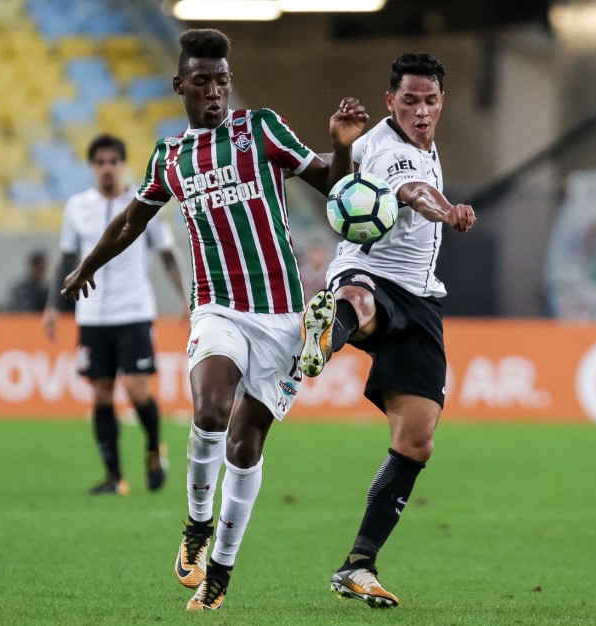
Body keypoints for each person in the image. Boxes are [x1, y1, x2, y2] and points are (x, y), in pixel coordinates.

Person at [61, 29, 368, 610]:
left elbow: (331, 182)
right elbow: (132, 222)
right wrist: (85, 265)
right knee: (209, 409)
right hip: (217, 306)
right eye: (202, 80)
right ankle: (196, 525)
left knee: (246, 448)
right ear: (180, 84)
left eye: (222, 80)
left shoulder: (263, 128)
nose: (214, 91)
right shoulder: (169, 156)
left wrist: (344, 147)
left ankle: (220, 570)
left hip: (282, 318)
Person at [299, 52, 476, 607]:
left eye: (429, 101)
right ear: (389, 101)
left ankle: (358, 565)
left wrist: (340, 153)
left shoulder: (407, 143)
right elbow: (411, 193)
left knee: (416, 442)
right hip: (369, 271)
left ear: (441, 101)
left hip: (422, 298)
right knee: (358, 298)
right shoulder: (392, 149)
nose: (420, 111)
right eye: (409, 101)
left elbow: (340, 167)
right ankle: (323, 335)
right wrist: (446, 210)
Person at [42, 133, 188, 496]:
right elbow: (65, 257)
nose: (107, 168)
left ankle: (154, 447)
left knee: (137, 389)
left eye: (113, 161)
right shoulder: (77, 207)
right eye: (100, 162)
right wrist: (50, 306)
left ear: (123, 164)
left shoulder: (144, 203)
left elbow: (167, 253)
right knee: (102, 395)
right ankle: (114, 477)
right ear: (92, 167)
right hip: (91, 315)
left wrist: (187, 297)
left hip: (134, 310)